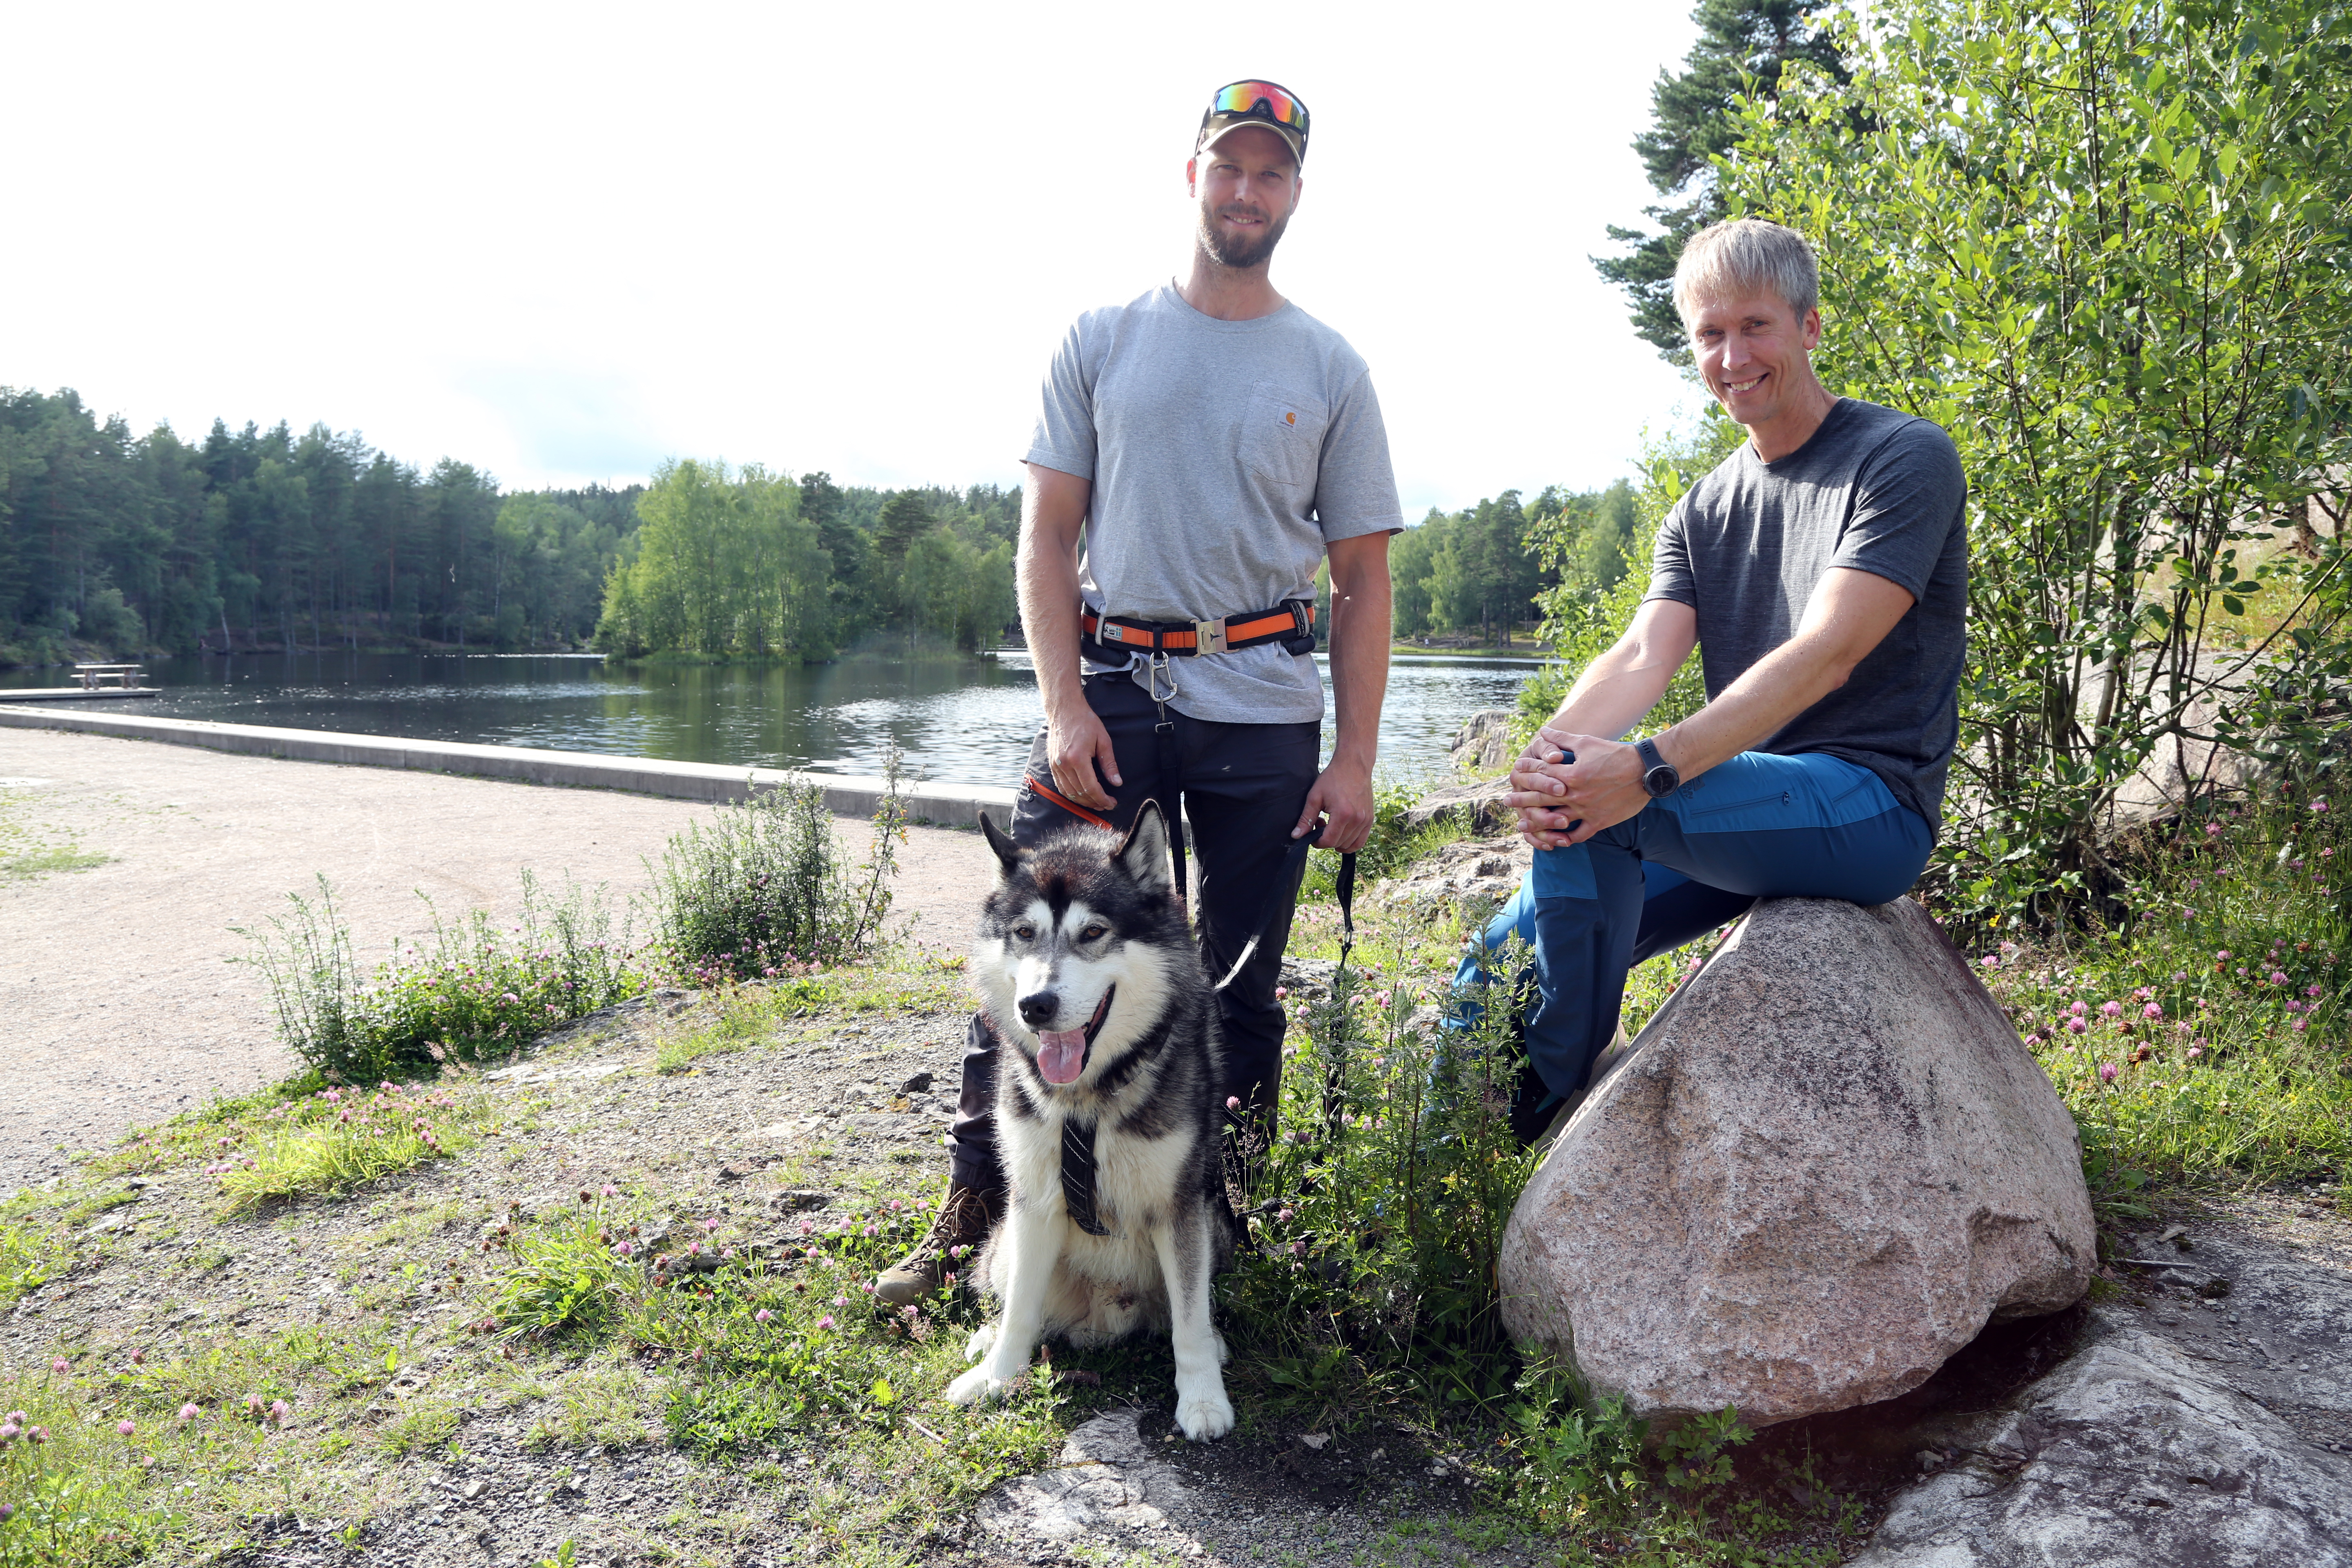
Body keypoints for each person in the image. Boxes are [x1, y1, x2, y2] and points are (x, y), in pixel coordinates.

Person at [877, 80, 1402, 1304]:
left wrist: (1358, 756)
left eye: (1271, 174)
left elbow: (1366, 580)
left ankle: (1222, 1223)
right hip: (1111, 686)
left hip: (1266, 705)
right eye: (1230, 166)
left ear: (1296, 196)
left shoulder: (1332, 368)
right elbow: (1046, 536)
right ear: (1192, 176)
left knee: (1242, 979)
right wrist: (1065, 704)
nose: (1247, 190)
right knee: (1030, 952)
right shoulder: (1102, 339)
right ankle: (977, 1214)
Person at [1457, 217, 1968, 1142]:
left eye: (1755, 326)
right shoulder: (1703, 507)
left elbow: (1829, 652)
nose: (1732, 356)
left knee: (1606, 810)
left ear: (1809, 326)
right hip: (1745, 815)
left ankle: (1546, 1110)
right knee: (1496, 957)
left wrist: (1648, 768)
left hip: (1869, 806)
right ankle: (1444, 1157)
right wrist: (1547, 757)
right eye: (1709, 334)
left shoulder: (1902, 458)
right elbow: (1644, 655)